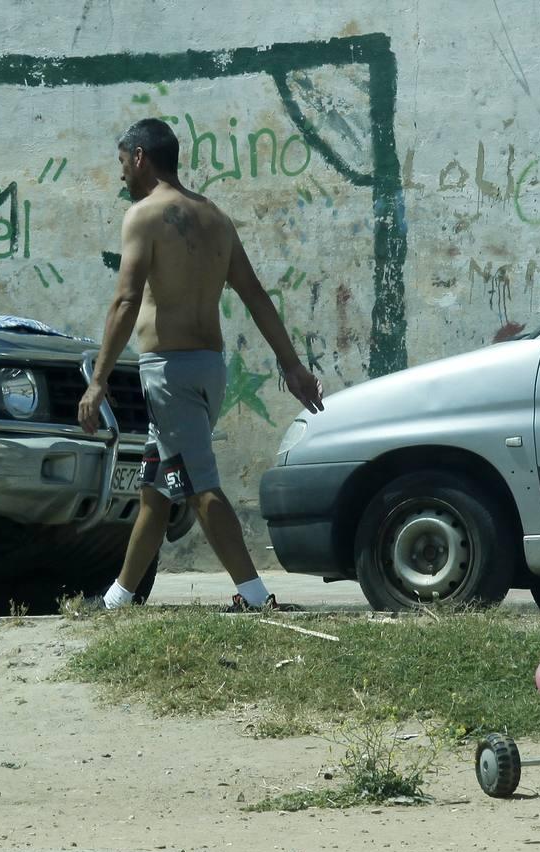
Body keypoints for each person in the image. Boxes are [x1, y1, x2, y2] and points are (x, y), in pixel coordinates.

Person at [77, 118, 325, 612]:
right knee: (157, 486)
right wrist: (292, 366)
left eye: (123, 163)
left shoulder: (144, 216)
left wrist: (99, 380)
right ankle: (119, 599)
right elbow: (254, 294)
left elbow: (126, 301)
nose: (122, 174)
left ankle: (255, 598)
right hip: (208, 369)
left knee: (198, 486)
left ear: (141, 157)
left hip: (169, 373)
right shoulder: (215, 217)